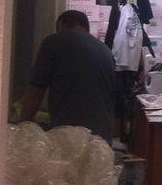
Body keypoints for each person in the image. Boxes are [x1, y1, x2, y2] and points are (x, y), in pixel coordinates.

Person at [19, 9, 119, 143]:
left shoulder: (53, 42)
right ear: (86, 28)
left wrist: (22, 127)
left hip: (70, 135)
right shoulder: (105, 50)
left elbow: (35, 91)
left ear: (61, 25)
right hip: (102, 137)